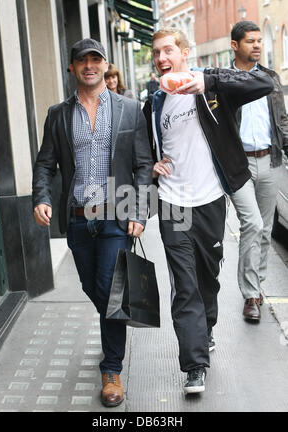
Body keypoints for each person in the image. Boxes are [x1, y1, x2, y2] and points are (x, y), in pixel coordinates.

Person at [143, 28, 273, 394]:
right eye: (156, 52)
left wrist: (207, 79)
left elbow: (264, 81)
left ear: (184, 53)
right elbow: (144, 151)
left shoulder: (212, 89)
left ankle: (207, 327)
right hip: (173, 205)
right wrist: (152, 165)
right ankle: (194, 365)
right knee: (184, 287)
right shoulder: (153, 104)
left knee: (206, 280)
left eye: (168, 49)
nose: (161, 57)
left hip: (210, 202)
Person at [32, 38, 153, 407]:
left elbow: (143, 165)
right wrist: (42, 197)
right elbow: (45, 164)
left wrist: (140, 210)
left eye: (95, 59)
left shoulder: (131, 109)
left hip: (116, 215)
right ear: (71, 67)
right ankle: (120, 316)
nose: (89, 65)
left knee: (108, 287)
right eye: (81, 60)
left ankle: (111, 369)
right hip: (79, 220)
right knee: (96, 288)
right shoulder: (57, 114)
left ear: (105, 64)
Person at [230, 21, 288, 322]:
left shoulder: (270, 78)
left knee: (265, 230)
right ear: (235, 45)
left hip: (270, 160)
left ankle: (257, 285)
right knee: (251, 225)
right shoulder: (225, 80)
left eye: (258, 41)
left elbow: (282, 120)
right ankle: (250, 294)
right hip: (239, 165)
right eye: (250, 41)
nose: (256, 45)